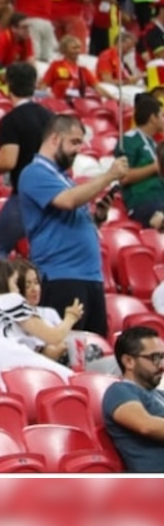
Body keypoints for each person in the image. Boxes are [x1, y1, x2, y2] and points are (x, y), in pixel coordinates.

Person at [19, 113, 129, 339]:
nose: (79, 149)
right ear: (55, 139)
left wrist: (96, 217)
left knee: (94, 350)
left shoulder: (63, 177)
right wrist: (108, 176)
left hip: (90, 277)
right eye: (74, 142)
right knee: (68, 351)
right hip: (61, 277)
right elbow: (68, 201)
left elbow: (70, 210)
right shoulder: (34, 172)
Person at [0, 259, 79, 388]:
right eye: (15, 283)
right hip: (21, 373)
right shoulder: (7, 299)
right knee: (78, 382)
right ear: (3, 281)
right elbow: (54, 337)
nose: (17, 290)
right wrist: (71, 317)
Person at [0, 61, 54, 259]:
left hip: (26, 196)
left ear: (9, 85)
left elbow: (8, 162)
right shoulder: (51, 118)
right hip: (53, 196)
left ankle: (0, 289)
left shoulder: (11, 120)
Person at [102, 326, 164, 472]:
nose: (162, 365)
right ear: (128, 361)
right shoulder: (119, 391)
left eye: (162, 357)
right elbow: (146, 425)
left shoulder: (159, 395)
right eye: (155, 358)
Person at [117, 93, 164, 231]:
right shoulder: (129, 139)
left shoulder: (154, 143)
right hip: (143, 202)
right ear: (153, 118)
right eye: (161, 115)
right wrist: (155, 167)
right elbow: (123, 176)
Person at [41, 35, 118, 102]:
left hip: (78, 103)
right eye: (74, 48)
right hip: (58, 102)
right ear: (64, 50)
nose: (77, 51)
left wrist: (114, 99)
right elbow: (43, 85)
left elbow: (97, 88)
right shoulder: (56, 65)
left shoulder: (82, 68)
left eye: (79, 48)